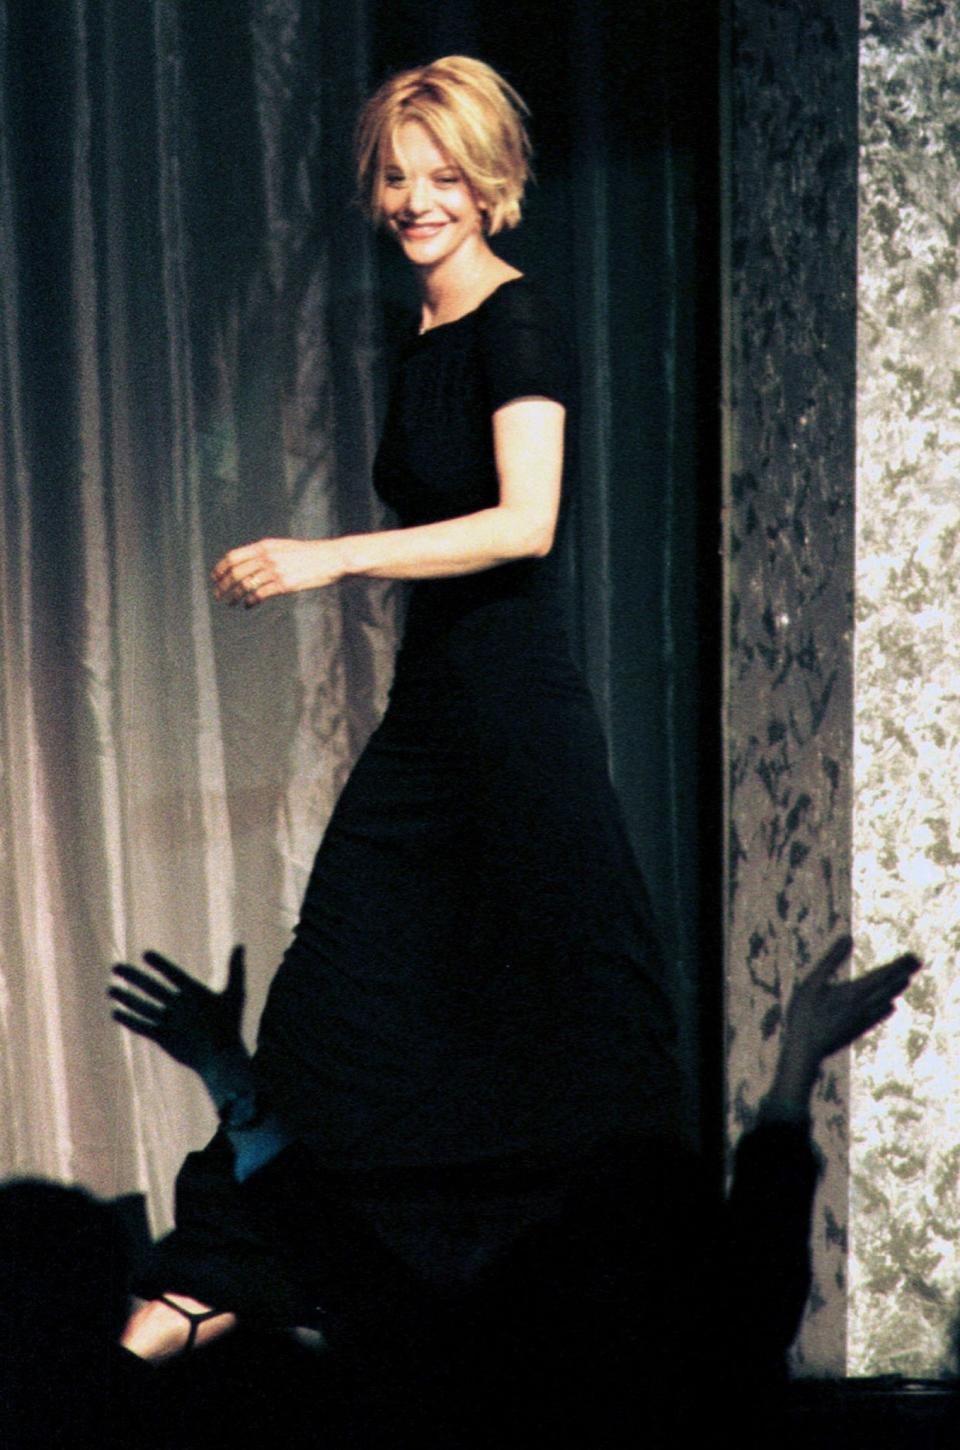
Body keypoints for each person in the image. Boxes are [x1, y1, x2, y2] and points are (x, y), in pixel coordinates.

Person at [109, 54, 682, 1434]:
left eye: (445, 178)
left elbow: (524, 523)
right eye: (396, 177)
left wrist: (324, 559)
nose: (418, 201)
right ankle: (220, 1274)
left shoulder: (517, 323)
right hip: (437, 720)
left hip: (518, 726)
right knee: (329, 1015)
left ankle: (632, 1328)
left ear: (494, 186)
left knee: (583, 1032)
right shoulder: (427, 332)